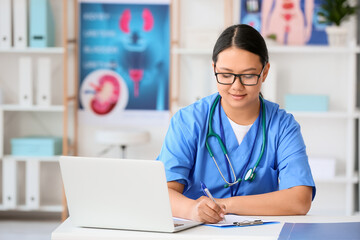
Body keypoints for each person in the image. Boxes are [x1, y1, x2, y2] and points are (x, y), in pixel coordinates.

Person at [157, 24, 315, 224]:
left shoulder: (283, 126)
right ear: (214, 69)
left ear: (265, 72)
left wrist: (224, 205)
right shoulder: (188, 121)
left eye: (248, 75)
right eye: (225, 75)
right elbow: (163, 192)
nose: (236, 86)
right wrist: (193, 209)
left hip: (260, 233)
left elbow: (300, 200)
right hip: (197, 231)